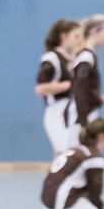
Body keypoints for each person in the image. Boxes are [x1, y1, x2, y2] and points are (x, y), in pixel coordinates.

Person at [42, 117, 104, 209]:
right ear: (101, 136)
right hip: (63, 202)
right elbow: (95, 195)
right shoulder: (95, 159)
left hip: (47, 200)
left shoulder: (77, 150)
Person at [35, 19, 83, 155]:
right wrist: (70, 85)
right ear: (64, 36)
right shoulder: (51, 58)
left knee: (70, 152)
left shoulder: (72, 59)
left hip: (71, 110)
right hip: (57, 111)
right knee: (64, 152)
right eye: (76, 36)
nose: (79, 41)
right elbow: (41, 88)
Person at [68, 14, 104, 146]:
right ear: (95, 31)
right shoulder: (86, 56)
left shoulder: (88, 55)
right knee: (78, 153)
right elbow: (79, 90)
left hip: (86, 111)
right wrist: (83, 122)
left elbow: (88, 86)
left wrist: (103, 99)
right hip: (82, 113)